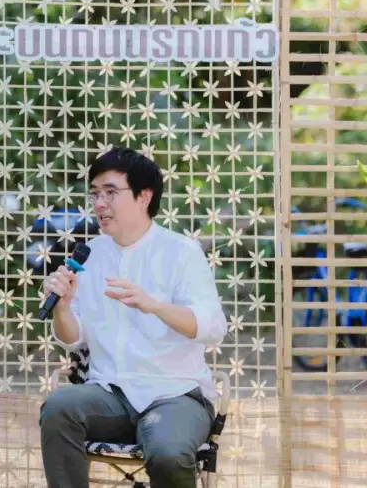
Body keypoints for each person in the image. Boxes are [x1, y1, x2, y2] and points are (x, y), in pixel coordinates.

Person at [40, 147, 228, 488]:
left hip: (175, 395)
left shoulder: (181, 252)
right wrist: (63, 307)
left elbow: (213, 328)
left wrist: (154, 305)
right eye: (95, 193)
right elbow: (72, 338)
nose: (99, 203)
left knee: (169, 452)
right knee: (58, 408)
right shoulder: (91, 254)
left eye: (111, 192)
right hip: (109, 394)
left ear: (144, 196)